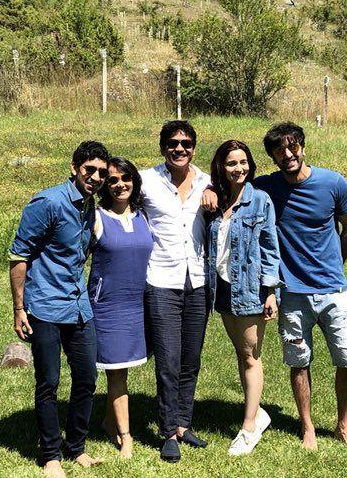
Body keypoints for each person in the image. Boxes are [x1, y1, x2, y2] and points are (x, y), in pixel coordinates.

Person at [255, 122, 347, 451]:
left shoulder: (333, 183)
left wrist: (336, 262)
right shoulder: (266, 187)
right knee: (298, 361)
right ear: (273, 157)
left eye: (293, 147)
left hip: (333, 290)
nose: (287, 155)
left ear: (302, 146)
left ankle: (344, 425)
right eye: (279, 151)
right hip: (292, 293)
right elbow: (232, 184)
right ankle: (308, 427)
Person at [9, 141, 110, 478]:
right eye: (89, 170)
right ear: (74, 168)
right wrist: (19, 309)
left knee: (86, 378)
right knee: (49, 382)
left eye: (100, 172)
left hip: (79, 305)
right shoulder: (48, 202)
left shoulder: (89, 206)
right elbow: (19, 256)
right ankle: (50, 455)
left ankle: (76, 447)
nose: (95, 177)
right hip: (45, 306)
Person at [139, 120, 211, 463]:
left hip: (197, 280)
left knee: (190, 359)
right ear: (162, 146)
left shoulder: (208, 183)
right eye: (172, 143)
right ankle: (167, 431)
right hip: (161, 280)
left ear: (194, 147)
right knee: (167, 360)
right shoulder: (146, 181)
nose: (179, 148)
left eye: (185, 143)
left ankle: (184, 423)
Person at [205, 140, 282, 456]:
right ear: (222, 168)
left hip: (250, 289)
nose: (239, 168)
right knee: (241, 352)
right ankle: (257, 412)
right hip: (221, 287)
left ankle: (250, 426)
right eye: (231, 163)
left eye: (243, 162)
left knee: (251, 354)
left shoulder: (260, 200)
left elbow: (269, 247)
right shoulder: (216, 199)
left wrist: (271, 291)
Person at [88, 157, 153, 459]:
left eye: (125, 178)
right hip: (108, 307)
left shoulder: (144, 216)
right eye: (112, 180)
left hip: (137, 304)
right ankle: (126, 436)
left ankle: (107, 420)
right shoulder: (97, 217)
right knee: (116, 373)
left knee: (122, 369)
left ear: (134, 181)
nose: (119, 184)